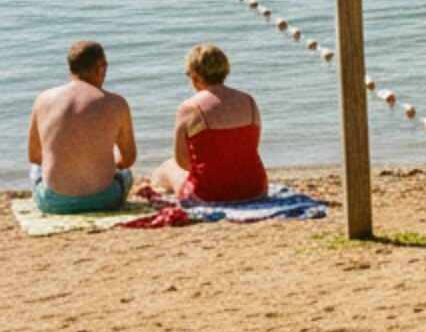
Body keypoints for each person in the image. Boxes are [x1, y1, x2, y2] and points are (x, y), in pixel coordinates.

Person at [145, 44, 266, 202]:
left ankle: (158, 193)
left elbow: (182, 160)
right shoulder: (249, 101)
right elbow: (250, 146)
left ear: (195, 77)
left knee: (167, 168)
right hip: (255, 189)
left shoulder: (190, 107)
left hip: (209, 194)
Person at [26, 41, 136, 215]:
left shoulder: (43, 100)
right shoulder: (117, 104)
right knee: (126, 172)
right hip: (105, 200)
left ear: (71, 68)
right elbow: (128, 159)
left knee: (36, 169)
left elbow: (34, 156)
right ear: (102, 69)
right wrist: (101, 161)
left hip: (53, 202)